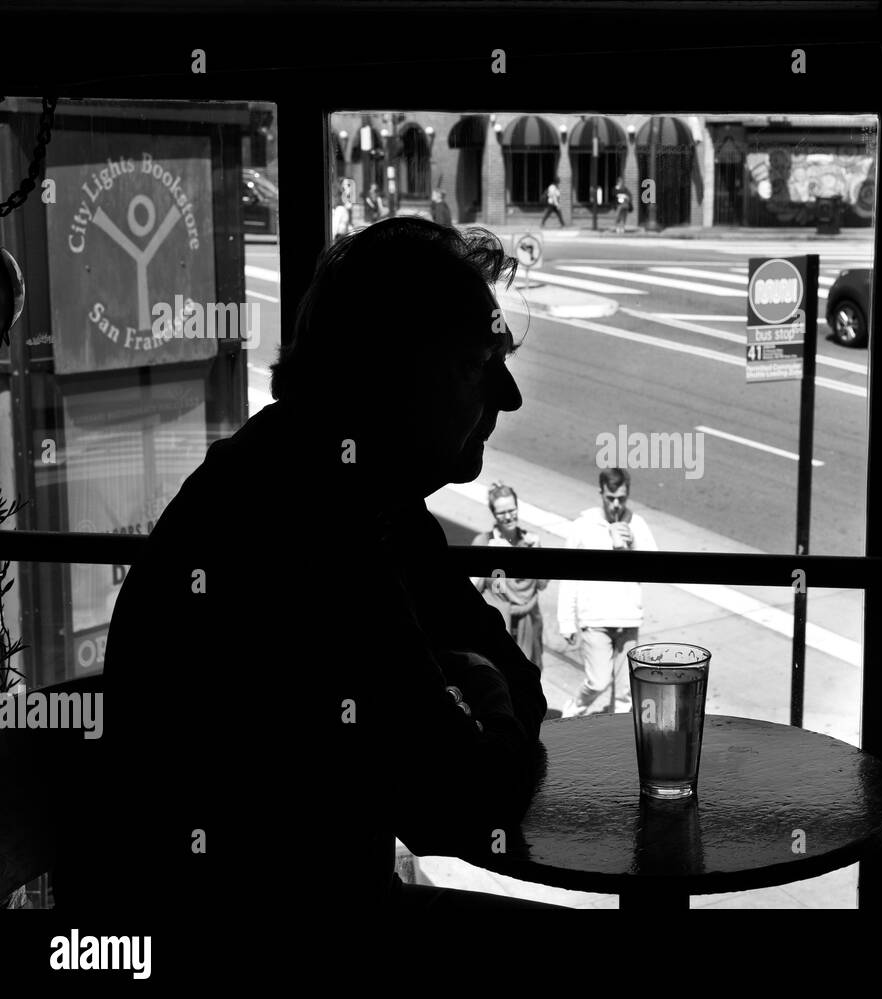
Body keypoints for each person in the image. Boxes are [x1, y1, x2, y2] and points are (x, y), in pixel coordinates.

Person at [58, 218, 561, 954]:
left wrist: (471, 686)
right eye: (476, 362)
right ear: (397, 374)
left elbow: (512, 691)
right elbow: (460, 798)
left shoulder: (353, 487)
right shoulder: (316, 513)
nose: (507, 396)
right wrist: (476, 685)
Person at [556, 467, 657, 717]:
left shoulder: (637, 523)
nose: (615, 505)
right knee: (598, 681)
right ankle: (572, 713)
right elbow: (569, 577)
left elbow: (657, 567)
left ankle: (616, 742)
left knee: (625, 694)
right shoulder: (583, 526)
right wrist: (566, 621)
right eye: (610, 498)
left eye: (621, 499)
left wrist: (632, 543)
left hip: (628, 619)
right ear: (601, 493)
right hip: (596, 619)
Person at [471, 481, 547, 667]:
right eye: (502, 512)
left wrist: (536, 552)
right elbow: (471, 589)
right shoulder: (484, 542)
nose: (508, 516)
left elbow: (542, 585)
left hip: (527, 623)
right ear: (494, 514)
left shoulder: (529, 541)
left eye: (512, 510)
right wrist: (489, 558)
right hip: (497, 624)